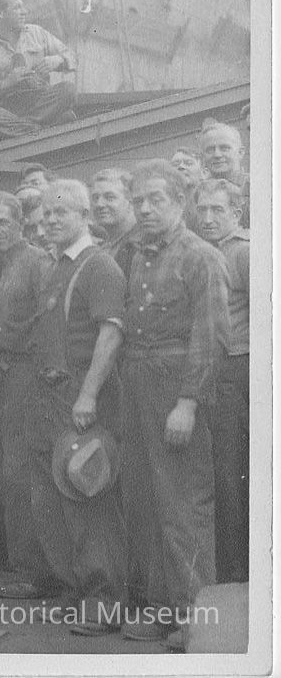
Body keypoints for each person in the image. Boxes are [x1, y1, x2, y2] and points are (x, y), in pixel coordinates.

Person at [119, 161, 230, 648]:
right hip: (136, 386)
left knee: (183, 508)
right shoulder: (136, 255)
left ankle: (196, 620)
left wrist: (187, 403)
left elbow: (211, 339)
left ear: (179, 204)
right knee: (146, 504)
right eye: (139, 201)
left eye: (155, 200)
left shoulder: (200, 257)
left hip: (176, 390)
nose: (144, 209)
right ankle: (167, 611)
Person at [26, 180, 128, 636]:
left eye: (60, 213)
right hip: (51, 400)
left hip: (85, 402)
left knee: (91, 497)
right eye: (45, 214)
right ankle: (77, 590)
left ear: (85, 214)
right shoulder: (55, 267)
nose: (50, 220)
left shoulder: (99, 265)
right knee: (61, 499)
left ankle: (105, 603)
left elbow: (111, 334)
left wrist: (87, 395)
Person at [0, 191, 55, 599]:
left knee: (24, 473)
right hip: (7, 374)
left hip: (29, 374)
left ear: (21, 224)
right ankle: (26, 564)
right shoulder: (0, 262)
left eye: (3, 223)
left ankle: (35, 572)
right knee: (12, 472)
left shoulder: (36, 262)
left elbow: (47, 322)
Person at [193, 178, 249, 583]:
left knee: (230, 474)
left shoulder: (242, 252)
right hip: (209, 368)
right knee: (211, 471)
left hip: (237, 368)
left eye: (218, 210)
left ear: (237, 213)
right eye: (203, 210)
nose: (208, 218)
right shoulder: (203, 252)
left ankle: (236, 569)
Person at [0, 0, 77, 141]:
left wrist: (58, 61)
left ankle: (8, 133)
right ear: (0, 13)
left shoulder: (37, 33)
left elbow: (73, 57)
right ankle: (38, 128)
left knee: (68, 89)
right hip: (5, 108)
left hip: (41, 102)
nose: (25, 11)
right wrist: (5, 83)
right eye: (17, 8)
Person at [198, 119, 249, 226]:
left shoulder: (256, 189)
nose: (217, 155)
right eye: (210, 150)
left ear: (240, 152)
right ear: (202, 157)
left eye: (224, 148)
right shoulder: (198, 194)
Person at [89, 168, 138, 277]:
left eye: (109, 197)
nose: (99, 204)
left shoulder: (141, 245)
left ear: (130, 201)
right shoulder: (102, 248)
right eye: (95, 198)